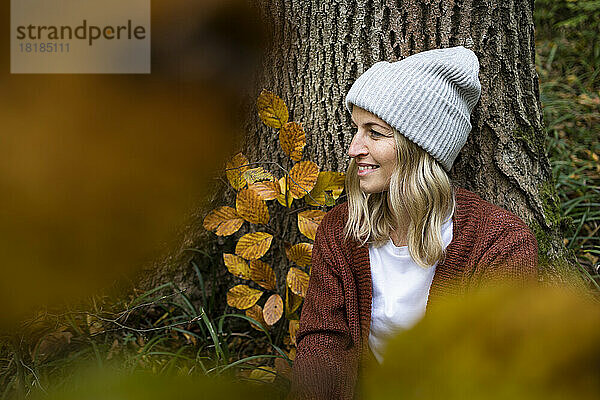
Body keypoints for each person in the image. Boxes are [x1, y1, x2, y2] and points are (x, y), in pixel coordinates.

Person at [289, 46, 539, 400]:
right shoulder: (342, 229)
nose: (353, 147)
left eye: (374, 132)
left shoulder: (499, 243)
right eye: (357, 129)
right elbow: (323, 340)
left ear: (419, 148)